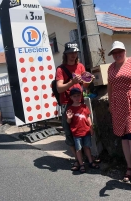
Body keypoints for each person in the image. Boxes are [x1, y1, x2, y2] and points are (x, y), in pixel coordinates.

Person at [107, 41, 131, 187]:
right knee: (124, 136)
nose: (117, 54)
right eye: (114, 52)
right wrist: (111, 103)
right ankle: (129, 167)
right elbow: (110, 86)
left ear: (125, 50)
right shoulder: (111, 67)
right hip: (118, 104)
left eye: (120, 51)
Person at [55, 42, 91, 171]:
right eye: (70, 53)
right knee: (70, 132)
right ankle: (77, 159)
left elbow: (86, 86)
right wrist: (72, 82)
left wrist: (85, 82)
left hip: (80, 103)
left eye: (75, 52)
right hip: (67, 104)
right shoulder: (60, 69)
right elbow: (59, 89)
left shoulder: (80, 66)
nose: (73, 55)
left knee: (83, 130)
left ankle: (85, 158)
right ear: (66, 54)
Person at [66, 87, 99, 173]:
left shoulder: (84, 106)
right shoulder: (70, 109)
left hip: (86, 131)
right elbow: (68, 121)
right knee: (78, 149)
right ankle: (81, 164)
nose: (77, 98)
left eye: (78, 95)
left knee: (87, 147)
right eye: (74, 96)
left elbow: (88, 118)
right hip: (76, 133)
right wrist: (69, 118)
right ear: (71, 98)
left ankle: (90, 162)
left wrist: (91, 127)